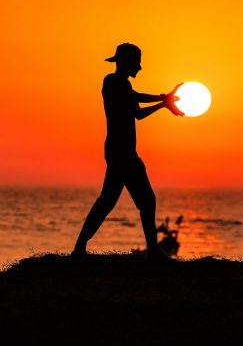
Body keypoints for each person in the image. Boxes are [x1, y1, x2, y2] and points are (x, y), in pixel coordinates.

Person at [71, 43, 184, 265]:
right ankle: (152, 253)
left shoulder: (121, 83)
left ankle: (79, 248)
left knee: (108, 201)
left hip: (119, 151)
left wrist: (163, 97)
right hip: (122, 153)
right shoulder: (113, 82)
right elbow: (138, 112)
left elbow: (137, 96)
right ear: (126, 62)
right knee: (145, 201)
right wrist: (163, 104)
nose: (140, 67)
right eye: (137, 62)